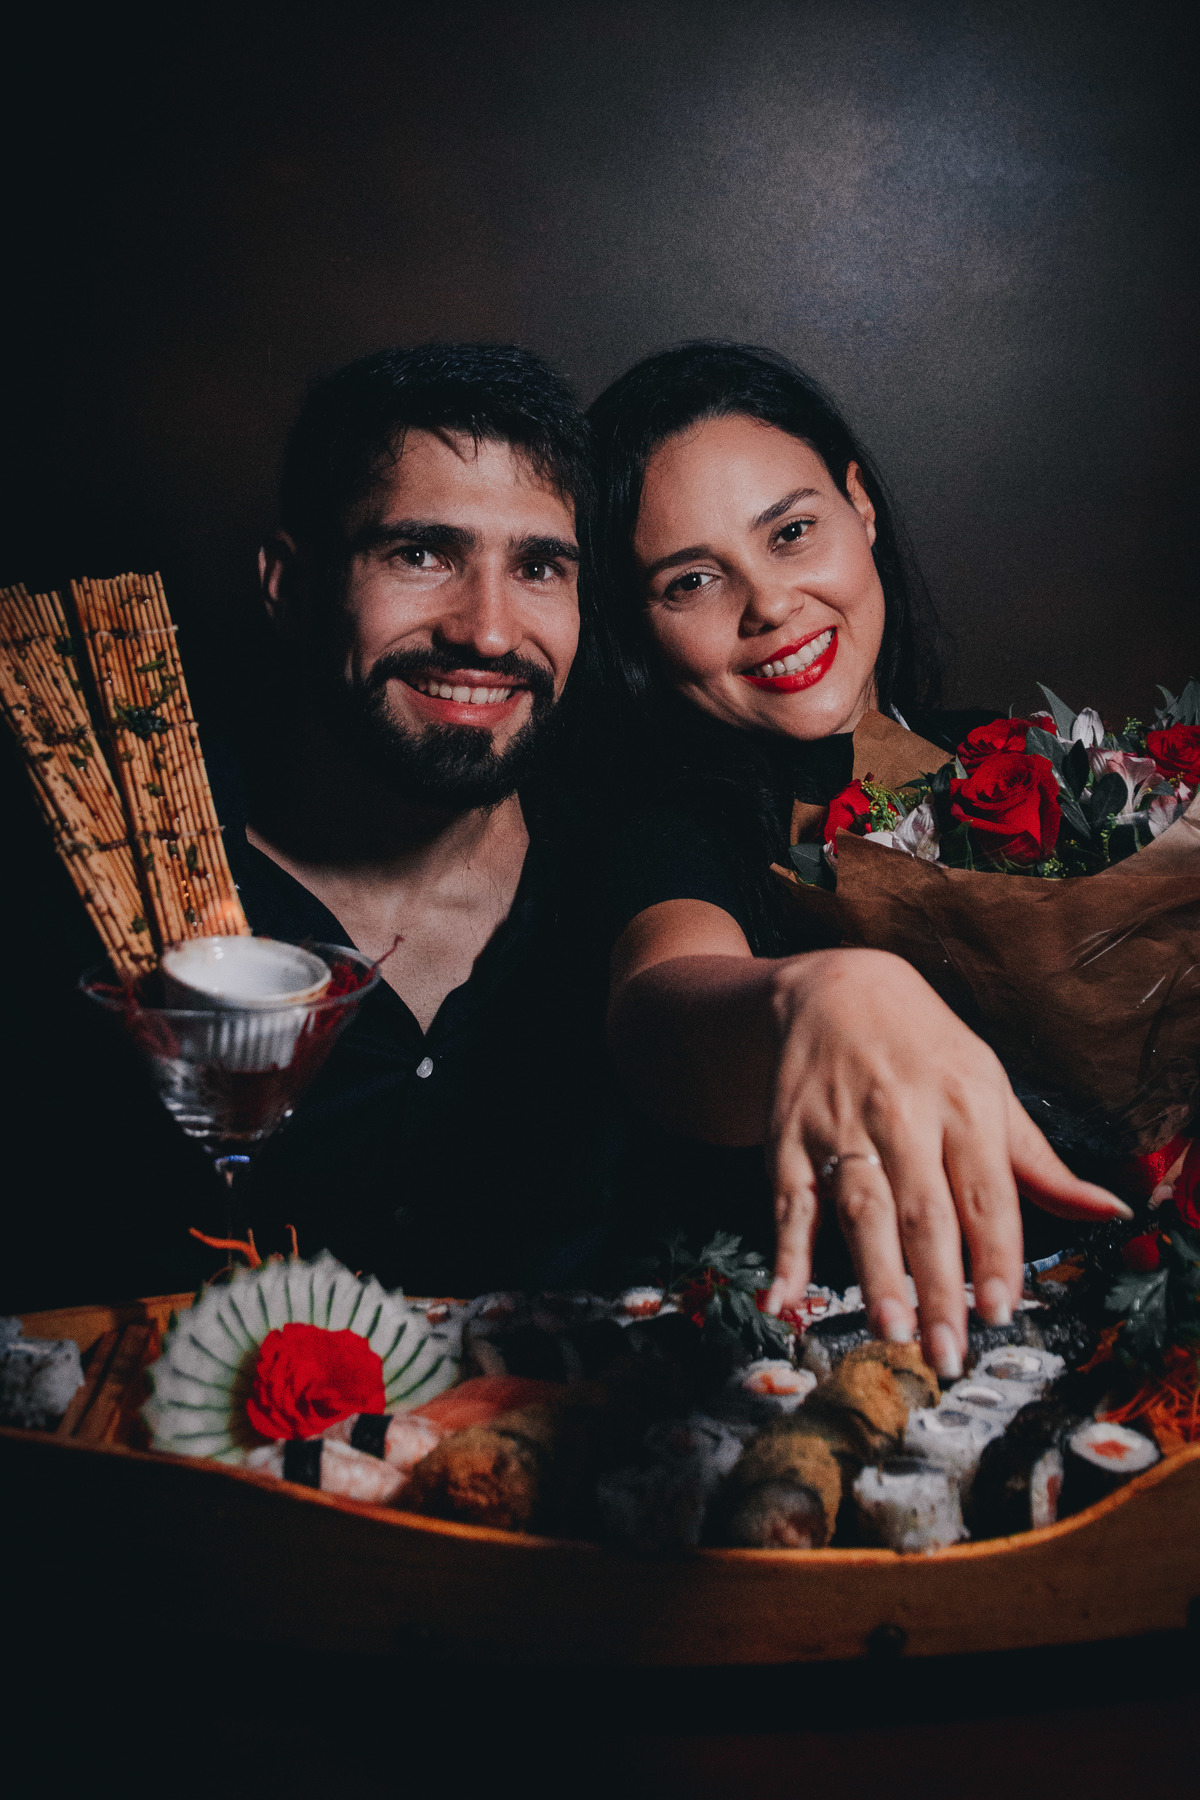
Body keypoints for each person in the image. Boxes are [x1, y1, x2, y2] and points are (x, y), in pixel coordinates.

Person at [587, 342, 1132, 1381]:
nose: (769, 604)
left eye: (792, 532)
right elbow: (658, 1004)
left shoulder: (1027, 759)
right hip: (862, 1377)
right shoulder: (669, 822)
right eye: (691, 581)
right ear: (639, 625)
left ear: (861, 506)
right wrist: (815, 1001)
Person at [206, 342, 615, 1294]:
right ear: (290, 586)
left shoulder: (625, 882)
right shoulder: (141, 894)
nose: (488, 631)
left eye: (539, 567)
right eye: (421, 554)